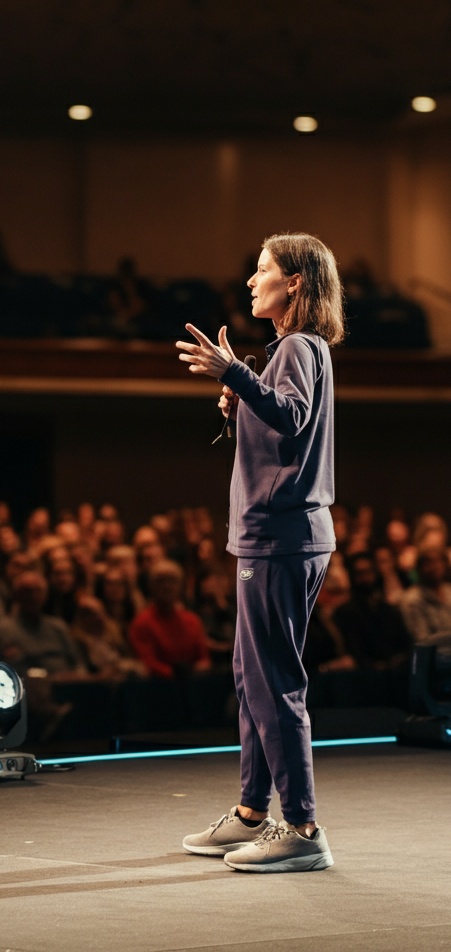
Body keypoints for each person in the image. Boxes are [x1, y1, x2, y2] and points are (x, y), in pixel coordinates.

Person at [176, 232, 343, 872]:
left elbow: (293, 416)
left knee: (274, 684)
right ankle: (252, 813)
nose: (251, 280)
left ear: (295, 282)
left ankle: (301, 827)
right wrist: (240, 392)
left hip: (280, 537)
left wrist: (235, 375)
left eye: (262, 269)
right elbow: (278, 422)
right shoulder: (294, 350)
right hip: (273, 535)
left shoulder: (298, 345)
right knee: (253, 680)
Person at [127, 560, 211, 679]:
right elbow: (147, 662)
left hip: (194, 686)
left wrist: (198, 669)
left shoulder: (192, 620)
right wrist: (178, 675)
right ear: (151, 586)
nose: (167, 586)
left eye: (172, 581)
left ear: (181, 587)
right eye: (161, 581)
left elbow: (203, 658)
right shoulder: (141, 623)